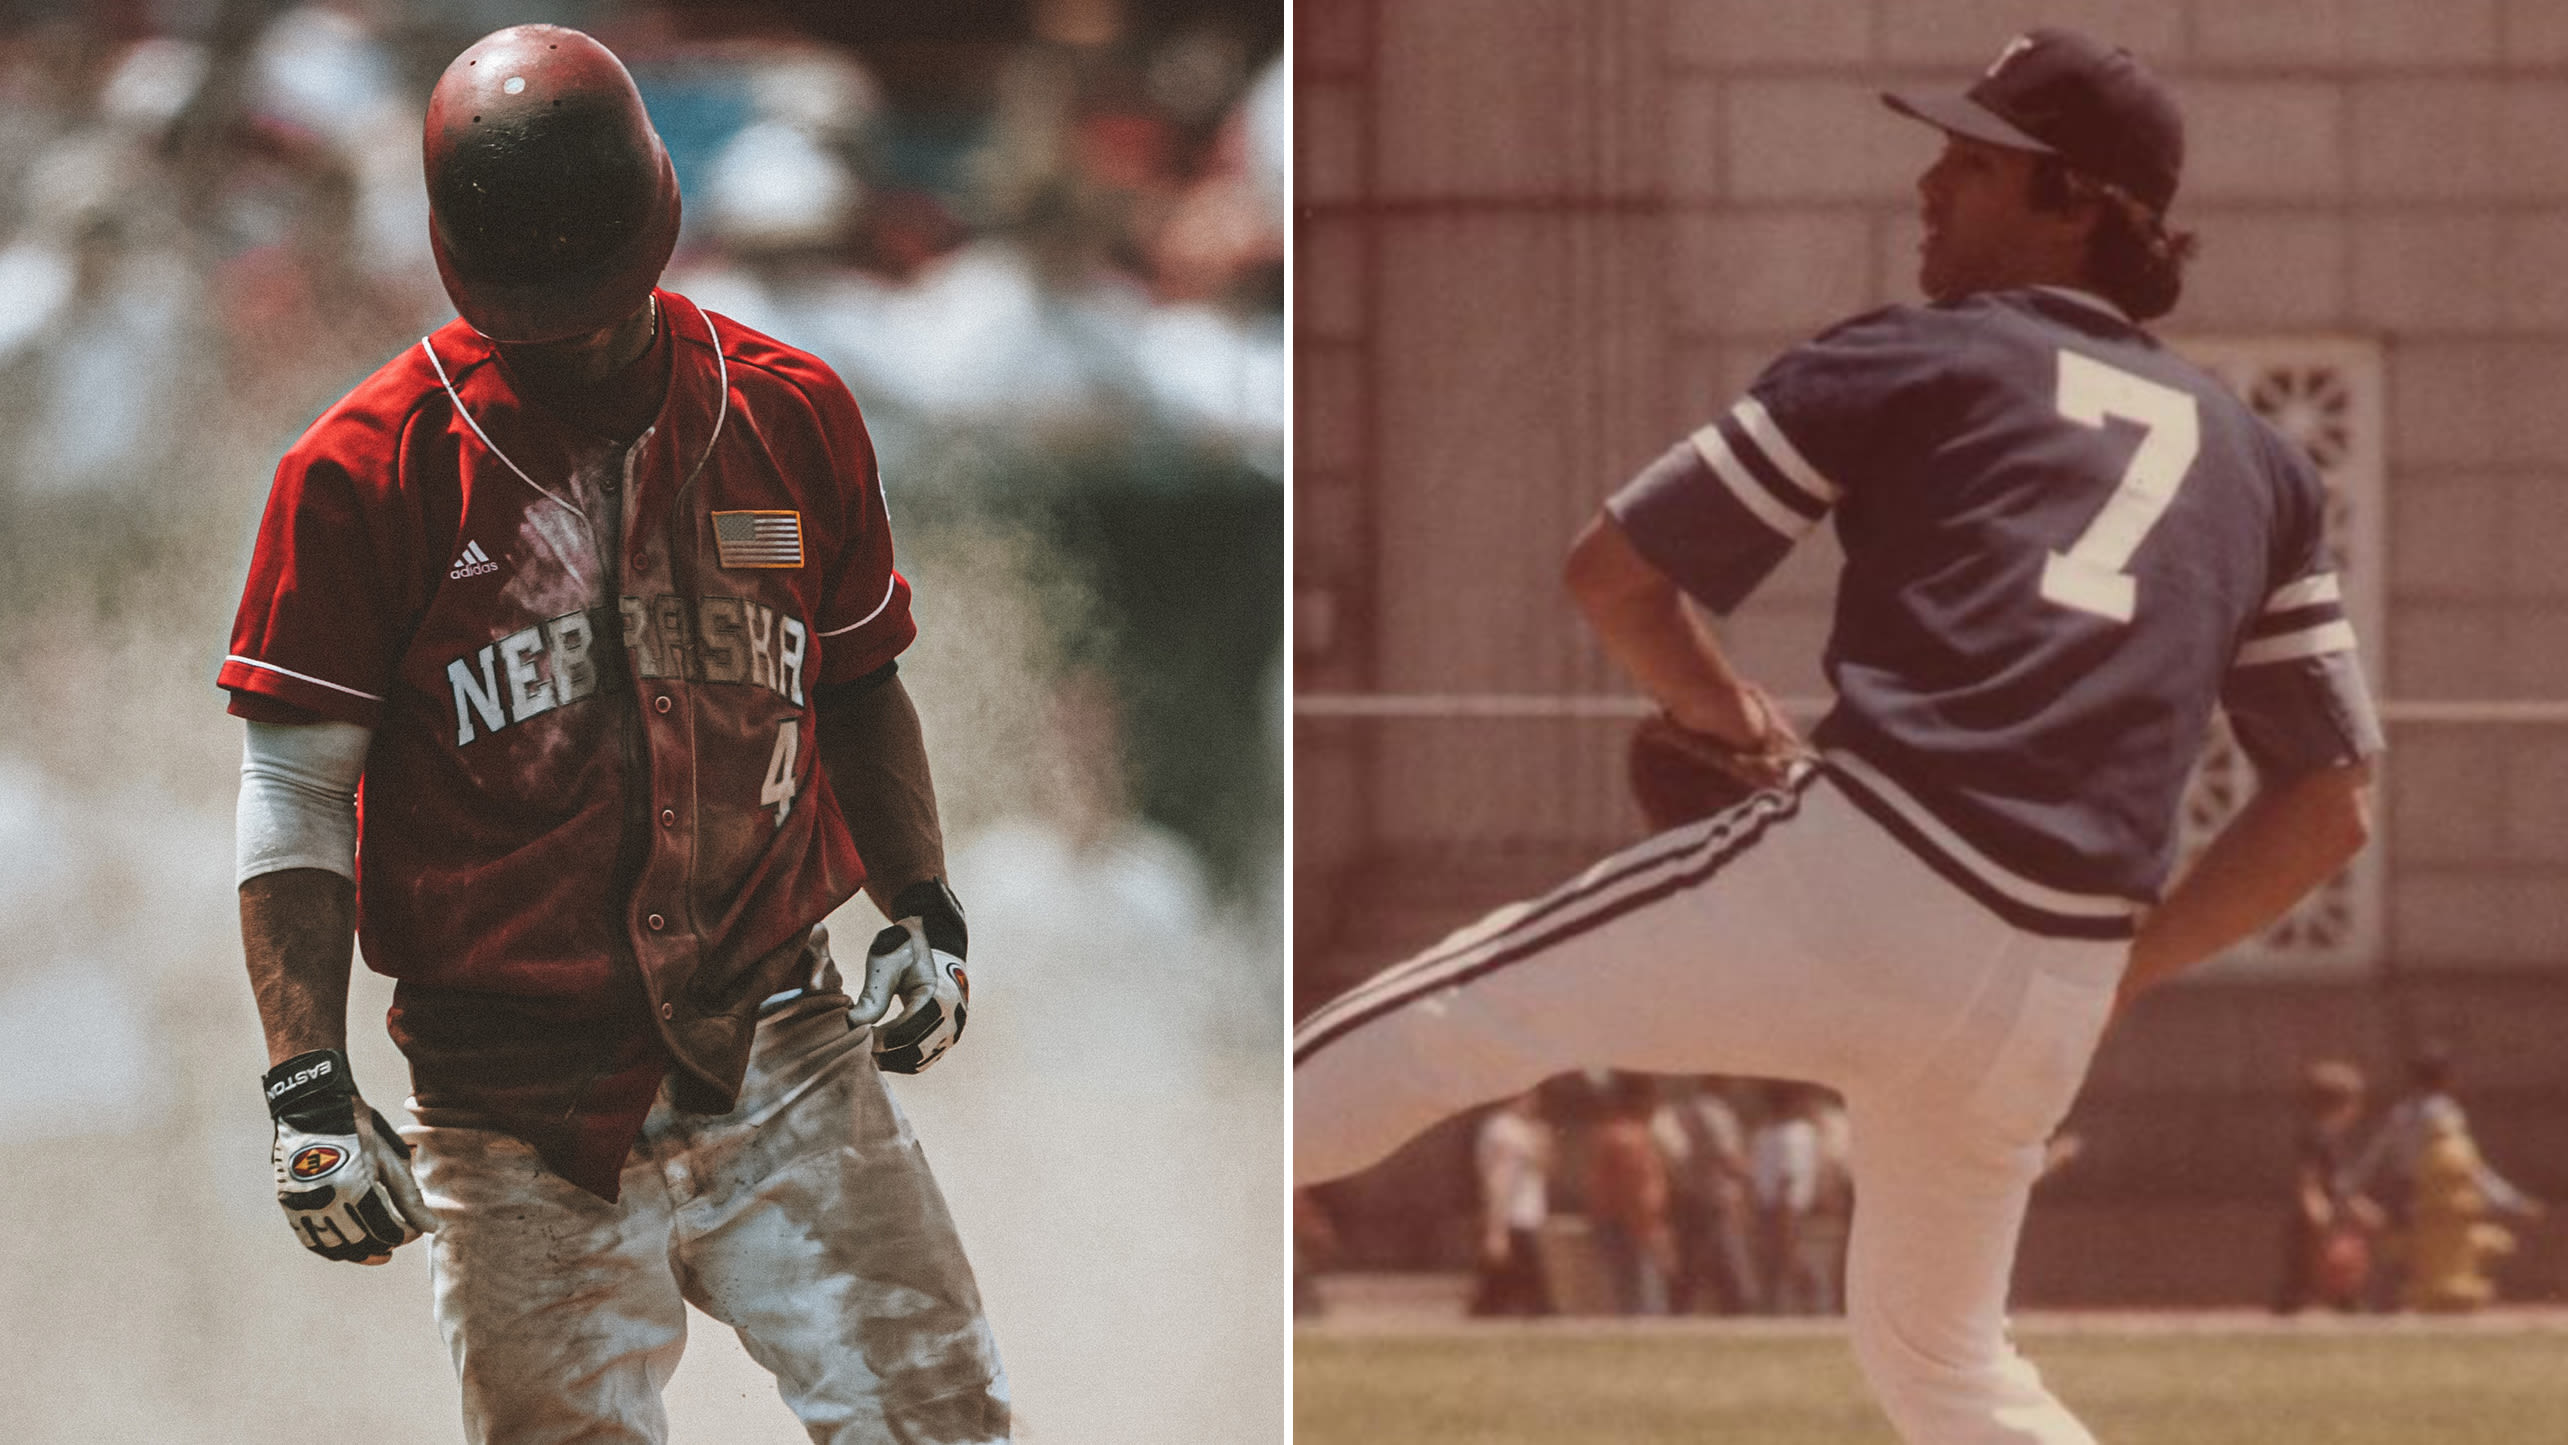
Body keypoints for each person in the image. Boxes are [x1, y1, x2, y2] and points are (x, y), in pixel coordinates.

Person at [1295, 27, 2379, 1444]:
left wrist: (1716, 705)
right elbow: (2334, 797)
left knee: (1453, 1014)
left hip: (1871, 872)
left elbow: (1613, 576)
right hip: (2059, 969)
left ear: (2075, 201)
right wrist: (2135, 967)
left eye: (1973, 163)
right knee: (1946, 1365)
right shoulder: (2265, 463)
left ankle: (1099, 1248)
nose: (1930, 186)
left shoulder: (1918, 355)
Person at [222, 26, 1007, 1444]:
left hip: (781, 1040)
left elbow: (856, 679)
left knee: (941, 1420)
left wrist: (927, 906)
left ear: (660, 226)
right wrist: (305, 1082)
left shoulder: (792, 408)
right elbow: (292, 789)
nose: (577, 323)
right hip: (512, 1102)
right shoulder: (361, 470)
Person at [2273, 1060, 2381, 1315]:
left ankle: (2345, 1297)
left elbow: (2339, 1178)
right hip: (2320, 1206)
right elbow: (2308, 1174)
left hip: (2335, 1206)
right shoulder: (2314, 1136)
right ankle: (2296, 1298)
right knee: (2310, 1255)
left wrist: (2356, 1202)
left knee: (2344, 1252)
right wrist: (2313, 1201)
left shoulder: (2332, 1137)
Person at [1654, 1075, 1760, 1315]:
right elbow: (1727, 1158)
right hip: (1715, 1199)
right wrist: (1756, 1177)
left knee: (1693, 1267)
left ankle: (1682, 1312)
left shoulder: (1686, 1109)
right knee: (1731, 1269)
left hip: (1695, 1196)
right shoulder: (1715, 1112)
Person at [1468, 1090, 1557, 1316]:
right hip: (1512, 1217)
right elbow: (1499, 1179)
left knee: (1501, 1290)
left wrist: (1542, 1139)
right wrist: (1496, 1229)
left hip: (1527, 1216)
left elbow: (1545, 1169)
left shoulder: (1523, 1129)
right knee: (1534, 1295)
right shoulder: (1503, 1130)